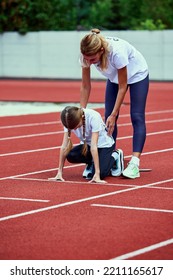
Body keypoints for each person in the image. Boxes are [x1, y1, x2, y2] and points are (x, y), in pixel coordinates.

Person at [80, 28, 149, 179]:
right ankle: (111, 157)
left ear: (102, 50)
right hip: (114, 78)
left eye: (92, 59)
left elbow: (123, 86)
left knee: (136, 117)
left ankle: (134, 164)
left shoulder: (116, 53)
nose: (89, 63)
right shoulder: (85, 56)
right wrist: (81, 113)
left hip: (137, 74)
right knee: (108, 119)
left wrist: (114, 113)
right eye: (87, 59)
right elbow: (86, 86)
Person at [49, 106, 124, 183]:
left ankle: (115, 155)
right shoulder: (67, 120)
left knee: (101, 174)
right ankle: (92, 162)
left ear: (81, 118)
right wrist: (59, 172)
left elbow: (94, 146)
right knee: (71, 155)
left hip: (104, 145)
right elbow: (64, 146)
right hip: (88, 145)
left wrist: (97, 174)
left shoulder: (93, 116)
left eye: (77, 126)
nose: (74, 129)